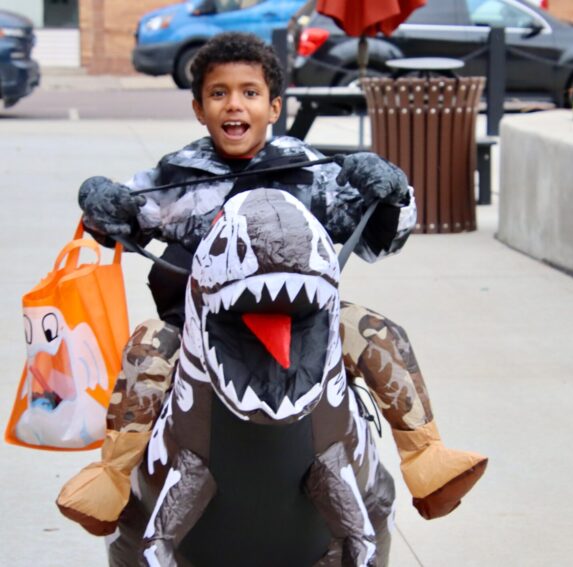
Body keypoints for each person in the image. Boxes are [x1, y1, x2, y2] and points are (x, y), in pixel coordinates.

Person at [57, 32, 486, 550]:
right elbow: (127, 217)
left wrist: (392, 195)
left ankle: (425, 454)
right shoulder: (176, 176)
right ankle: (113, 474)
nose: (234, 104)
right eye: (218, 93)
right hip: (200, 325)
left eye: (250, 92)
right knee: (147, 344)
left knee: (374, 331)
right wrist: (105, 206)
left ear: (274, 106)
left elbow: (378, 235)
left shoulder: (309, 171)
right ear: (199, 108)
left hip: (305, 321)